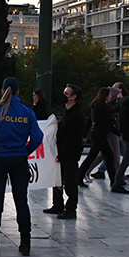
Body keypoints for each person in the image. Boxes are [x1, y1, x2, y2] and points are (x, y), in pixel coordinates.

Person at [0, 77, 44, 257]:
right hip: (19, 159)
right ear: (18, 91)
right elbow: (38, 138)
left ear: (2, 90)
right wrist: (24, 151)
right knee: (21, 201)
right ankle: (25, 243)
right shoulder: (27, 112)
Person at [44, 84, 84, 219]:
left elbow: (72, 138)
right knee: (58, 179)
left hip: (69, 154)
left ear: (74, 97)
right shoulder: (69, 111)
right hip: (63, 152)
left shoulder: (77, 114)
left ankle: (71, 209)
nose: (64, 96)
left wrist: (62, 154)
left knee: (70, 181)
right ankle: (58, 205)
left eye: (66, 94)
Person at [78, 88, 120, 186]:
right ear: (105, 96)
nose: (111, 96)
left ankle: (114, 181)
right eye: (110, 95)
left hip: (98, 134)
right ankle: (79, 177)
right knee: (95, 156)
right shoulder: (102, 107)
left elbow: (90, 120)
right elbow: (106, 123)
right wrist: (118, 133)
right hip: (100, 134)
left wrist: (85, 134)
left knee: (108, 156)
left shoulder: (96, 106)